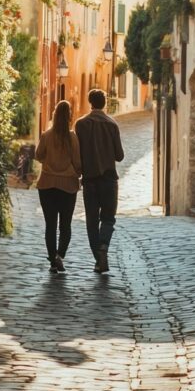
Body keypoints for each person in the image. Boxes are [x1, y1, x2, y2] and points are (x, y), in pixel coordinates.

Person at [74, 89, 124, 273]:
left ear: (90, 102)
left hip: (89, 180)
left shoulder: (80, 124)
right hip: (109, 180)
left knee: (91, 221)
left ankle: (98, 259)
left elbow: (76, 153)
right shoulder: (112, 125)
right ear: (105, 103)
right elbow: (119, 156)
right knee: (109, 219)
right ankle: (104, 247)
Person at [34, 100, 82, 273]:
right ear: (69, 116)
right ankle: (59, 255)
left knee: (50, 225)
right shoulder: (73, 137)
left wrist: (49, 161)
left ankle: (53, 262)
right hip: (68, 186)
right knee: (65, 225)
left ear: (54, 115)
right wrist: (78, 173)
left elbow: (38, 155)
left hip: (47, 185)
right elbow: (78, 163)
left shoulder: (47, 135)